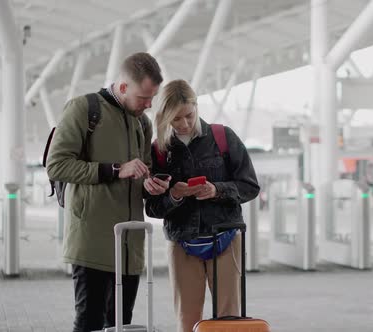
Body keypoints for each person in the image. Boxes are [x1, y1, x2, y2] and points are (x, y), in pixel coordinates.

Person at [46, 52, 170, 332]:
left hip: (129, 244)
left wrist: (151, 185)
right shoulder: (83, 108)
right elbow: (57, 165)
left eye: (152, 98)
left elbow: (141, 171)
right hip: (92, 242)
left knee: (121, 325)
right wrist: (115, 170)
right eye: (144, 98)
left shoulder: (142, 122)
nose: (149, 105)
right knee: (89, 323)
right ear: (123, 86)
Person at [145, 79, 259, 332]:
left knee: (227, 319)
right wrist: (174, 195)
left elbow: (250, 186)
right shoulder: (159, 151)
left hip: (225, 237)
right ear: (164, 117)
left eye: (189, 115)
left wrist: (216, 189)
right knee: (187, 319)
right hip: (182, 242)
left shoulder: (223, 137)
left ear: (197, 106)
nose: (184, 124)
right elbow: (152, 208)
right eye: (176, 119)